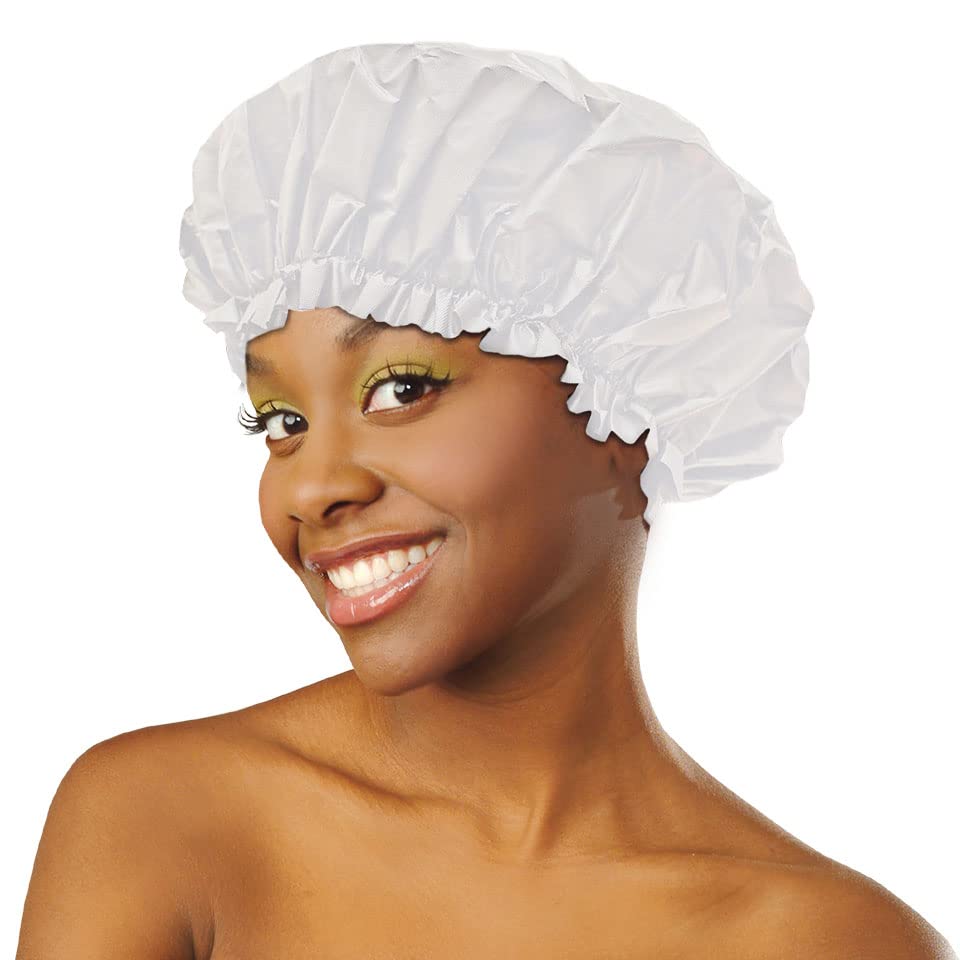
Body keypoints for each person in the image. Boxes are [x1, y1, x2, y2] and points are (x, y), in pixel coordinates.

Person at [17, 42, 956, 959]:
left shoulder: (829, 943)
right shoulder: (167, 821)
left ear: (625, 407)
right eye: (280, 420)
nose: (310, 486)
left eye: (401, 388)